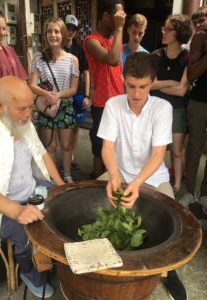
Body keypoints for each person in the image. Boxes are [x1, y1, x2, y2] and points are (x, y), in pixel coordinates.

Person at [97, 52, 187, 300]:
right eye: (131, 86)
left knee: (172, 221)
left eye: (143, 87)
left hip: (153, 175)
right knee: (92, 202)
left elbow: (159, 154)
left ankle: (169, 272)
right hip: (120, 170)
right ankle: (99, 262)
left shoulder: (162, 108)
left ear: (152, 81)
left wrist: (136, 183)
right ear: (123, 80)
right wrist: (114, 175)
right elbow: (107, 147)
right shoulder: (113, 105)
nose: (136, 94)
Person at [0, 76, 65, 298]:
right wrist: (18, 211)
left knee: (67, 205)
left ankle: (60, 257)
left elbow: (42, 153)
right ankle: (31, 274)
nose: (29, 113)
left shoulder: (23, 122)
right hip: (3, 208)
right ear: (0, 106)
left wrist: (60, 184)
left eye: (30, 107)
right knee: (28, 234)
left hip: (32, 189)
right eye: (22, 108)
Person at [30, 17, 79, 184]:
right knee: (50, 146)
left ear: (63, 34)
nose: (53, 35)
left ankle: (67, 175)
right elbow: (32, 84)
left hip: (65, 106)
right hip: (46, 106)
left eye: (57, 31)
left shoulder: (72, 59)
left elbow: (74, 88)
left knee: (66, 146)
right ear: (45, 35)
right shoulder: (38, 57)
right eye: (49, 31)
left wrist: (58, 95)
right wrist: (46, 94)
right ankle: (52, 178)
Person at [83, 0, 126, 178]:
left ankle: (112, 180)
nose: (121, 19)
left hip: (120, 100)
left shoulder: (115, 40)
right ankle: (99, 184)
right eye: (118, 15)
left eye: (123, 16)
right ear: (106, 16)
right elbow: (112, 59)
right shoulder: (91, 40)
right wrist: (119, 29)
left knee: (116, 147)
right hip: (103, 103)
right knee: (100, 147)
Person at [151, 14, 192, 195]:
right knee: (153, 147)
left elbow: (182, 91)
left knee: (176, 151)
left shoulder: (188, 57)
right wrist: (171, 82)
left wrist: (160, 85)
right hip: (156, 108)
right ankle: (151, 177)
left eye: (168, 29)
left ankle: (176, 184)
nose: (163, 32)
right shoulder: (156, 55)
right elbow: (150, 84)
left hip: (176, 109)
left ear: (179, 33)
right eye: (164, 28)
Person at [179, 7, 207, 212]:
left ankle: (205, 196)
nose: (199, 24)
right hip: (200, 101)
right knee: (194, 149)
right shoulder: (200, 38)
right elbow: (191, 74)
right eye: (195, 21)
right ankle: (189, 193)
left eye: (202, 19)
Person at [0, 7, 27, 111]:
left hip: (17, 109)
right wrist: (9, 102)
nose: (2, 33)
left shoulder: (10, 50)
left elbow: (23, 81)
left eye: (4, 28)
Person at [63, 14, 90, 171]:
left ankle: (71, 156)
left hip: (77, 93)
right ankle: (65, 155)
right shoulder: (57, 47)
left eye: (73, 29)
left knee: (74, 127)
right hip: (62, 94)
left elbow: (86, 72)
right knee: (63, 127)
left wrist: (86, 95)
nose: (71, 31)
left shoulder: (79, 48)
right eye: (68, 27)